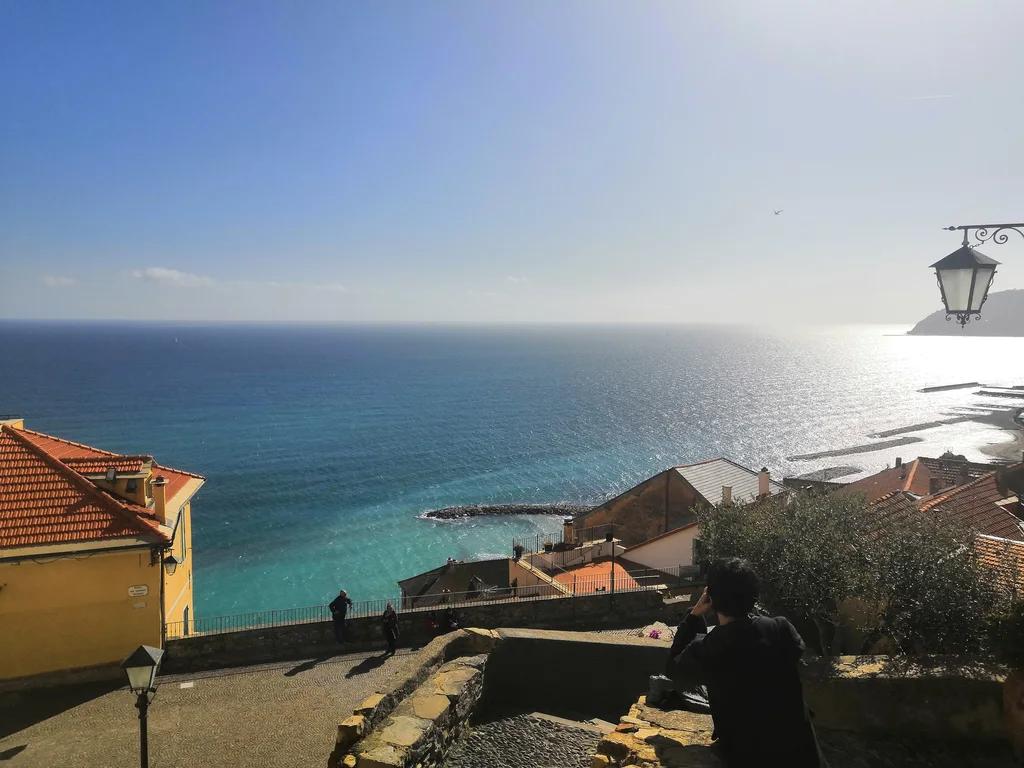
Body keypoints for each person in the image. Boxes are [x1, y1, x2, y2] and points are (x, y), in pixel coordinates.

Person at [665, 558, 822, 768]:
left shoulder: (710, 649)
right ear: (753, 595)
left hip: (747, 757)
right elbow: (792, 651)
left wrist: (694, 616)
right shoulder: (780, 629)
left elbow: (673, 669)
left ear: (711, 598)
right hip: (802, 753)